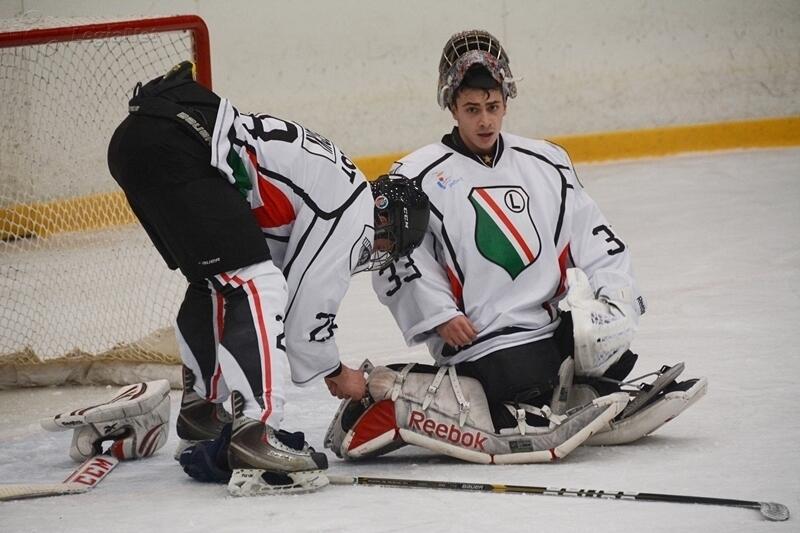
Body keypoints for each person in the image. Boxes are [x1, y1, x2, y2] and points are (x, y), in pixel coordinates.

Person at [325, 30, 707, 464]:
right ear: (451, 107)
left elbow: (597, 237)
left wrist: (617, 298)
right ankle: (395, 392)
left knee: (602, 355)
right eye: (472, 110)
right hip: (481, 341)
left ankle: (574, 394)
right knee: (522, 381)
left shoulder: (547, 162)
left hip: (551, 329)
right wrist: (438, 314)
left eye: (493, 107)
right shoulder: (416, 175)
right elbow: (395, 258)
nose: (485, 121)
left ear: (506, 101)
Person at [107, 61, 430, 495]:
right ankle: (254, 434)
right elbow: (303, 326)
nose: (378, 252)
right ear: (385, 218)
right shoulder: (353, 212)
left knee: (217, 281)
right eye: (389, 244)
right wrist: (338, 372)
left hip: (137, 142)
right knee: (258, 285)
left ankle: (202, 409)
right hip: (177, 144)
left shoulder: (332, 185)